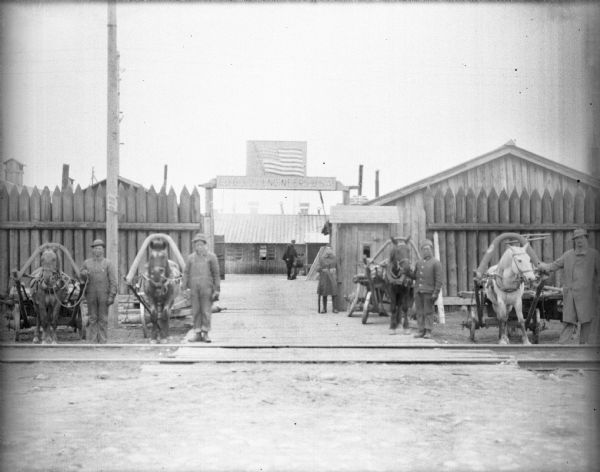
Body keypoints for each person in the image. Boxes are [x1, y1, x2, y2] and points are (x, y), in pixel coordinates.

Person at [537, 228, 600, 344]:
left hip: (587, 296)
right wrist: (542, 266)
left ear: (586, 239)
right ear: (574, 241)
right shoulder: (568, 255)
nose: (579, 241)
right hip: (570, 295)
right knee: (568, 321)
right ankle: (562, 346)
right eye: (576, 239)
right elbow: (554, 266)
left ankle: (584, 347)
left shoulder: (594, 255)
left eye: (581, 238)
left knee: (587, 322)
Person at [182, 233, 220, 343]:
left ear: (205, 245)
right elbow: (186, 273)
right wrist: (184, 287)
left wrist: (217, 290)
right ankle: (197, 334)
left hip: (207, 289)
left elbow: (216, 274)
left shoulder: (212, 257)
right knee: (196, 311)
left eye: (201, 245)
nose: (199, 247)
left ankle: (206, 333)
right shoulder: (190, 258)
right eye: (196, 245)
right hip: (194, 290)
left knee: (206, 311)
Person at [80, 239, 118, 344]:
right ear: (92, 250)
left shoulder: (108, 263)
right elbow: (80, 277)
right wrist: (83, 273)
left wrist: (112, 295)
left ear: (103, 250)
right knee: (92, 318)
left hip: (104, 295)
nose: (98, 251)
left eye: (100, 249)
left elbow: (113, 281)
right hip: (91, 294)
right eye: (96, 248)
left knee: (103, 319)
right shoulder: (87, 263)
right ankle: (92, 341)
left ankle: (103, 341)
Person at [413, 239, 443, 339]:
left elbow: (439, 280)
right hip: (418, 292)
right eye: (424, 249)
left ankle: (428, 331)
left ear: (431, 250)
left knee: (428, 312)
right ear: (421, 251)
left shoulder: (436, 263)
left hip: (429, 292)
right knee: (419, 312)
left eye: (428, 249)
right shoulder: (418, 263)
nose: (426, 251)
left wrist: (436, 292)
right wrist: (407, 272)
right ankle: (421, 330)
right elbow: (414, 276)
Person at [317, 245, 338, 313]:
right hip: (324, 277)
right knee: (324, 293)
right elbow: (318, 268)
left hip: (332, 276)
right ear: (325, 250)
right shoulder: (321, 258)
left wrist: (339, 278)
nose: (328, 252)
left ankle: (334, 308)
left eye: (330, 250)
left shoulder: (335, 258)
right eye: (327, 250)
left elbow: (338, 268)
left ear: (331, 250)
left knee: (334, 292)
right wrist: (319, 270)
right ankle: (324, 308)